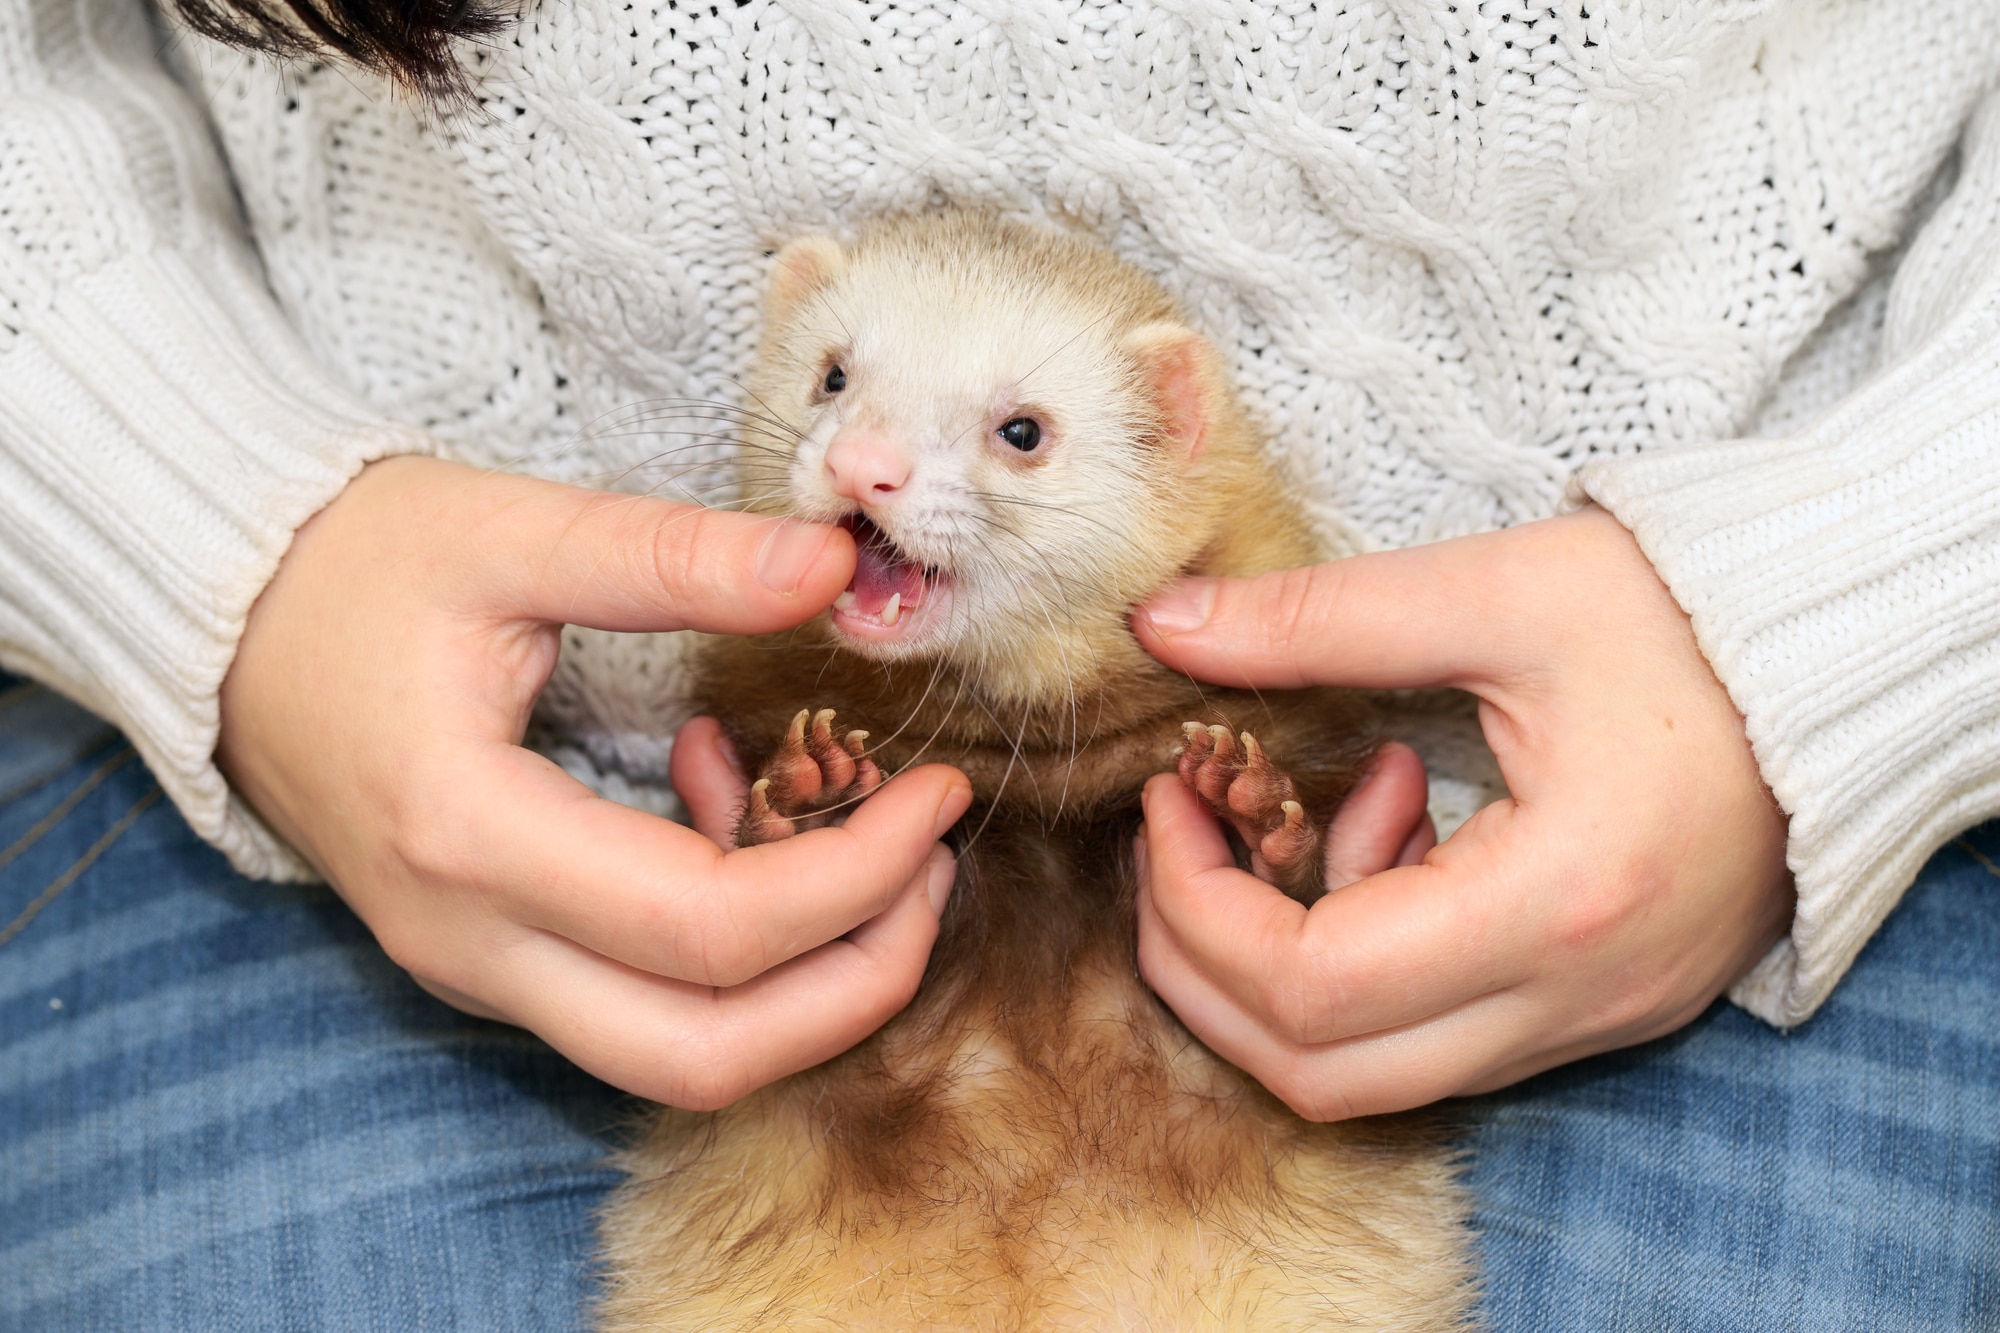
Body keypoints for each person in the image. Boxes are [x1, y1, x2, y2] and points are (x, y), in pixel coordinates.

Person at [0, 0, 1994, 1328]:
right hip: (374, 760)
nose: (863, 460)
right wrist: (213, 536)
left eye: (1021, 440)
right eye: (839, 381)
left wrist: (1855, 614)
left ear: (1171, 435)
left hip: (1698, 790)